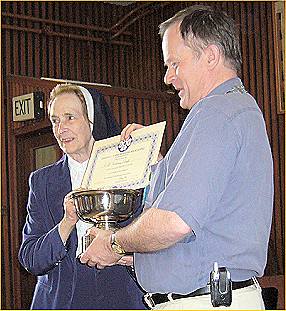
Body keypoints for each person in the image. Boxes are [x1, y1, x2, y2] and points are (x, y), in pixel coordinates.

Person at [78, 5, 274, 310]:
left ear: (210, 56)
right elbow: (199, 234)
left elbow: (175, 223)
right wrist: (130, 254)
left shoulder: (216, 113)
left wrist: (114, 241)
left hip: (205, 302)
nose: (168, 77)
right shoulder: (234, 111)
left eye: (174, 64)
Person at [18, 84, 147, 310]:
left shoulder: (129, 169)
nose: (61, 128)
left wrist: (150, 156)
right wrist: (67, 223)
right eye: (55, 120)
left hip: (120, 296)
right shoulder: (41, 182)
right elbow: (30, 259)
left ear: (92, 120)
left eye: (70, 117)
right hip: (61, 300)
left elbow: (155, 238)